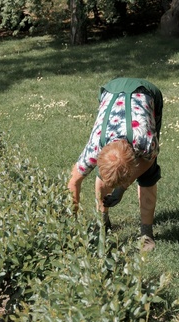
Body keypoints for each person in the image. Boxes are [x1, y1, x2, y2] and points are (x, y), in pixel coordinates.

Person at [68, 78, 163, 251]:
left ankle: (146, 233)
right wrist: (70, 225)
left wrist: (122, 188)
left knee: (148, 177)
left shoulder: (144, 140)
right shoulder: (95, 146)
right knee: (107, 174)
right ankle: (102, 221)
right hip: (110, 90)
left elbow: (148, 160)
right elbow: (74, 182)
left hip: (146, 93)